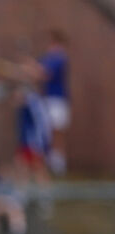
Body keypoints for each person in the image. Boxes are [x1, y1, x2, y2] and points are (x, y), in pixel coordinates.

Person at [37, 29, 70, 176]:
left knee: (57, 131)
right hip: (48, 99)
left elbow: (44, 73)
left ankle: (58, 164)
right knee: (48, 132)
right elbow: (38, 69)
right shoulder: (48, 57)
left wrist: (33, 69)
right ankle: (51, 161)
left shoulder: (60, 58)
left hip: (57, 100)